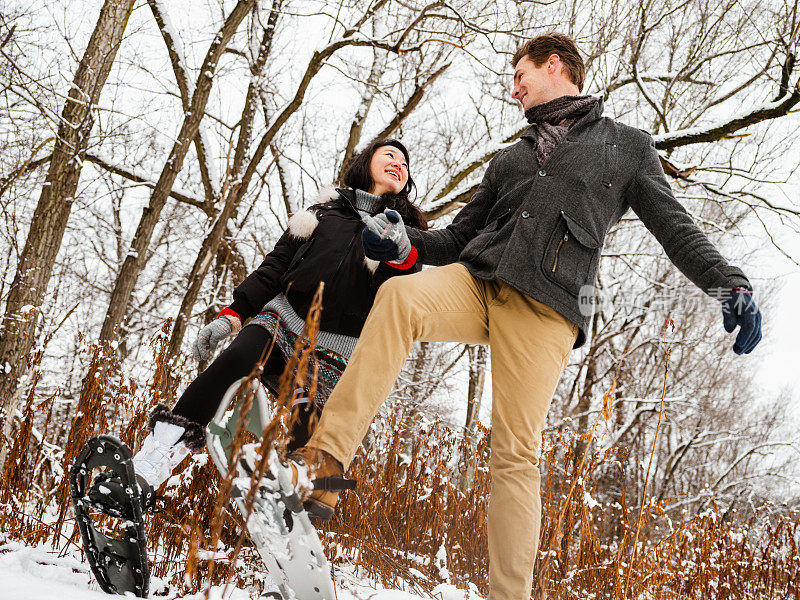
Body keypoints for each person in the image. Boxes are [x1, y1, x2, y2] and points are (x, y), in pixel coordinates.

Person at [278, 33, 763, 600]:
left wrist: (727, 281)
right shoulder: (510, 158)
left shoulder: (625, 147)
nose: (513, 91)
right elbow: (456, 238)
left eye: (518, 77)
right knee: (401, 299)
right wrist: (400, 244)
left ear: (552, 65)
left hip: (547, 304)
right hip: (480, 283)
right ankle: (322, 471)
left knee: (514, 452)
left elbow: (674, 225)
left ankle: (510, 595)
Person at [88, 139, 427, 521]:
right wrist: (233, 314)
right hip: (282, 319)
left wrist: (398, 248)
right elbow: (276, 265)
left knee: (309, 432)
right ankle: (146, 471)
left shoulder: (405, 231)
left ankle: (287, 543)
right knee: (236, 359)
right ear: (366, 163)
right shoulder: (322, 212)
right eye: (390, 155)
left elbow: (401, 292)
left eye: (404, 162)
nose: (398, 163)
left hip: (337, 350)